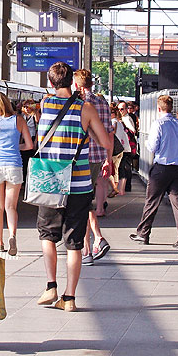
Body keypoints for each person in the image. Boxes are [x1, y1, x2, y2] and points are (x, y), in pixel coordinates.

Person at [35, 62, 113, 312]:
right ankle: (69, 298)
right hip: (79, 184)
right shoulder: (86, 108)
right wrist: (89, 137)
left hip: (50, 182)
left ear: (50, 83)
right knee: (74, 242)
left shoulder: (45, 104)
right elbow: (104, 141)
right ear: (72, 82)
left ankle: (50, 286)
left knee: (47, 235)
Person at [130, 94, 178, 248]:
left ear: (158, 108)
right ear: (171, 108)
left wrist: (144, 142)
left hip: (161, 168)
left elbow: (152, 147)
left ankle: (143, 234)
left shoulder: (158, 124)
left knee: (152, 202)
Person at [0, 92, 33, 256]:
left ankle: (0, 242)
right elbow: (29, 145)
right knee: (11, 207)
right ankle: (12, 236)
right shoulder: (19, 120)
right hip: (15, 166)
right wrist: (15, 148)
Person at [72, 69, 113, 265]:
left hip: (82, 157)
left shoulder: (80, 104)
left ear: (77, 85)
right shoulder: (103, 103)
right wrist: (108, 159)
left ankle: (93, 243)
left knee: (83, 203)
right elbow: (109, 133)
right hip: (98, 157)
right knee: (86, 200)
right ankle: (91, 245)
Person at [111, 102, 132, 198]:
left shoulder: (114, 122)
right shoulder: (120, 122)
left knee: (115, 170)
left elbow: (112, 133)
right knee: (119, 169)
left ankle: (116, 188)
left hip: (116, 149)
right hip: (122, 148)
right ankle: (120, 189)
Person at [120, 101, 138, 192]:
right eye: (118, 109)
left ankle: (126, 186)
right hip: (128, 145)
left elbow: (133, 130)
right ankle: (126, 186)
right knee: (126, 166)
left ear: (126, 109)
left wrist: (125, 129)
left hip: (128, 146)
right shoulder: (125, 118)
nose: (120, 111)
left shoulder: (126, 118)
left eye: (122, 109)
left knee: (125, 166)